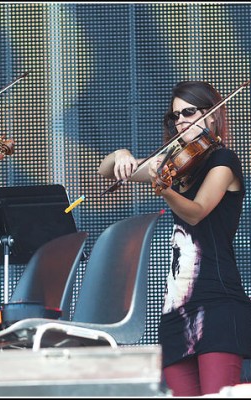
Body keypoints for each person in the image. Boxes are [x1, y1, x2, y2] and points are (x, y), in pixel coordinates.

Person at [98, 81, 251, 396]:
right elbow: (106, 170)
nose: (181, 120)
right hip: (175, 312)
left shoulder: (224, 162)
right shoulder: (175, 165)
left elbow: (196, 212)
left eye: (189, 112)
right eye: (175, 116)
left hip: (217, 303)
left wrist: (164, 189)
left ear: (212, 115)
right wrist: (121, 154)